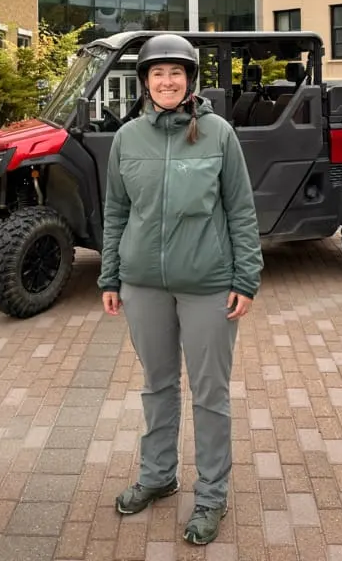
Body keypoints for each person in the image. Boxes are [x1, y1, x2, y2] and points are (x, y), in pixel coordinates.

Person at [98, 33, 263, 546]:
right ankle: (157, 476)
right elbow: (116, 213)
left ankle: (211, 496)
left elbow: (240, 210)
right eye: (156, 73)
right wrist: (110, 274)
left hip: (208, 284)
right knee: (157, 385)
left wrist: (245, 278)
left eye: (176, 73)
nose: (166, 81)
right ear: (145, 82)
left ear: (190, 80)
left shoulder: (219, 135)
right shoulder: (128, 139)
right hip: (143, 282)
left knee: (209, 394)